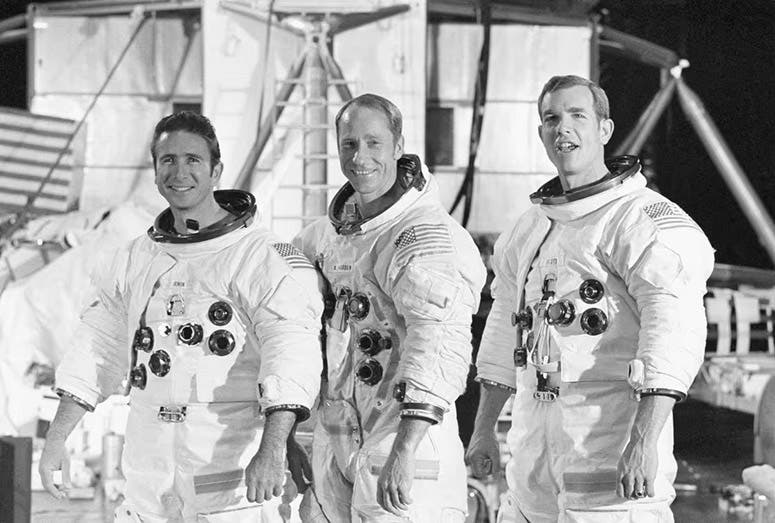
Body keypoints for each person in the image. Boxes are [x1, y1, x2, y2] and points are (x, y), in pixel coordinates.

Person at [38, 111, 323, 522]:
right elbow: (95, 350)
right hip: (149, 481)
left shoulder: (261, 257)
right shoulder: (133, 259)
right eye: (167, 160)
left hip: (231, 482)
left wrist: (274, 446)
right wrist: (57, 438)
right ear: (155, 172)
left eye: (192, 159)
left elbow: (292, 353)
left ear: (216, 170)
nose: (179, 171)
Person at [466, 75, 714, 522]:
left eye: (578, 115)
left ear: (604, 129)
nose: (563, 128)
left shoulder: (639, 219)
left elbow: (673, 333)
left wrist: (643, 443)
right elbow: (505, 329)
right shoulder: (529, 229)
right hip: (533, 462)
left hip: (611, 459)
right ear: (541, 133)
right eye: (551, 118)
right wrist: (484, 428)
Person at [290, 93, 486, 522]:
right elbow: (283, 316)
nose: (360, 157)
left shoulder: (423, 234)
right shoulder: (325, 236)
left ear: (399, 146)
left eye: (373, 143)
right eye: (349, 144)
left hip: (405, 436)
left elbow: (439, 342)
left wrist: (406, 449)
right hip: (338, 434)